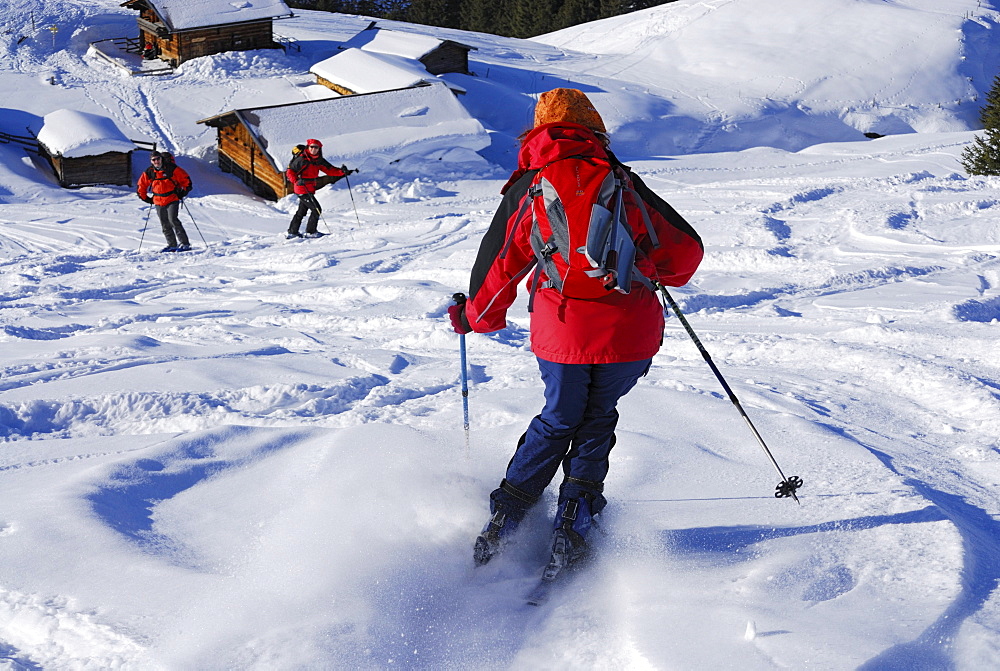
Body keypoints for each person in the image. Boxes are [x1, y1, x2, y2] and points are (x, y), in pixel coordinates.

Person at [449, 88, 704, 576]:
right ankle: (575, 519)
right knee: (596, 415)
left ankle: (508, 513)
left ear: (537, 133)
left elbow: (501, 264)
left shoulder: (531, 185)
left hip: (562, 329)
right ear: (595, 128)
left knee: (560, 416)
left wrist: (476, 318)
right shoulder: (622, 180)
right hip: (629, 332)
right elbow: (686, 253)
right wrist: (644, 266)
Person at [285, 139, 356, 239]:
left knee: (301, 211)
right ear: (308, 147)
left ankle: (292, 232)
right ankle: (310, 232)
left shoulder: (318, 160)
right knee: (317, 209)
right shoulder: (302, 159)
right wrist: (296, 180)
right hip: (302, 188)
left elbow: (330, 170)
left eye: (316, 147)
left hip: (309, 188)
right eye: (312, 147)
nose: (314, 149)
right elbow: (290, 171)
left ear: (319, 148)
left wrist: (342, 171)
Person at [136, 151, 192, 252]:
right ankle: (172, 245)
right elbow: (141, 186)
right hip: (158, 201)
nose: (156, 161)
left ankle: (185, 244)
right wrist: (146, 198)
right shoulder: (149, 172)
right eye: (154, 160)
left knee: (173, 220)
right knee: (165, 223)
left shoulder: (172, 169)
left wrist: (182, 193)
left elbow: (186, 180)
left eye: (158, 159)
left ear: (161, 159)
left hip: (172, 198)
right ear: (151, 161)